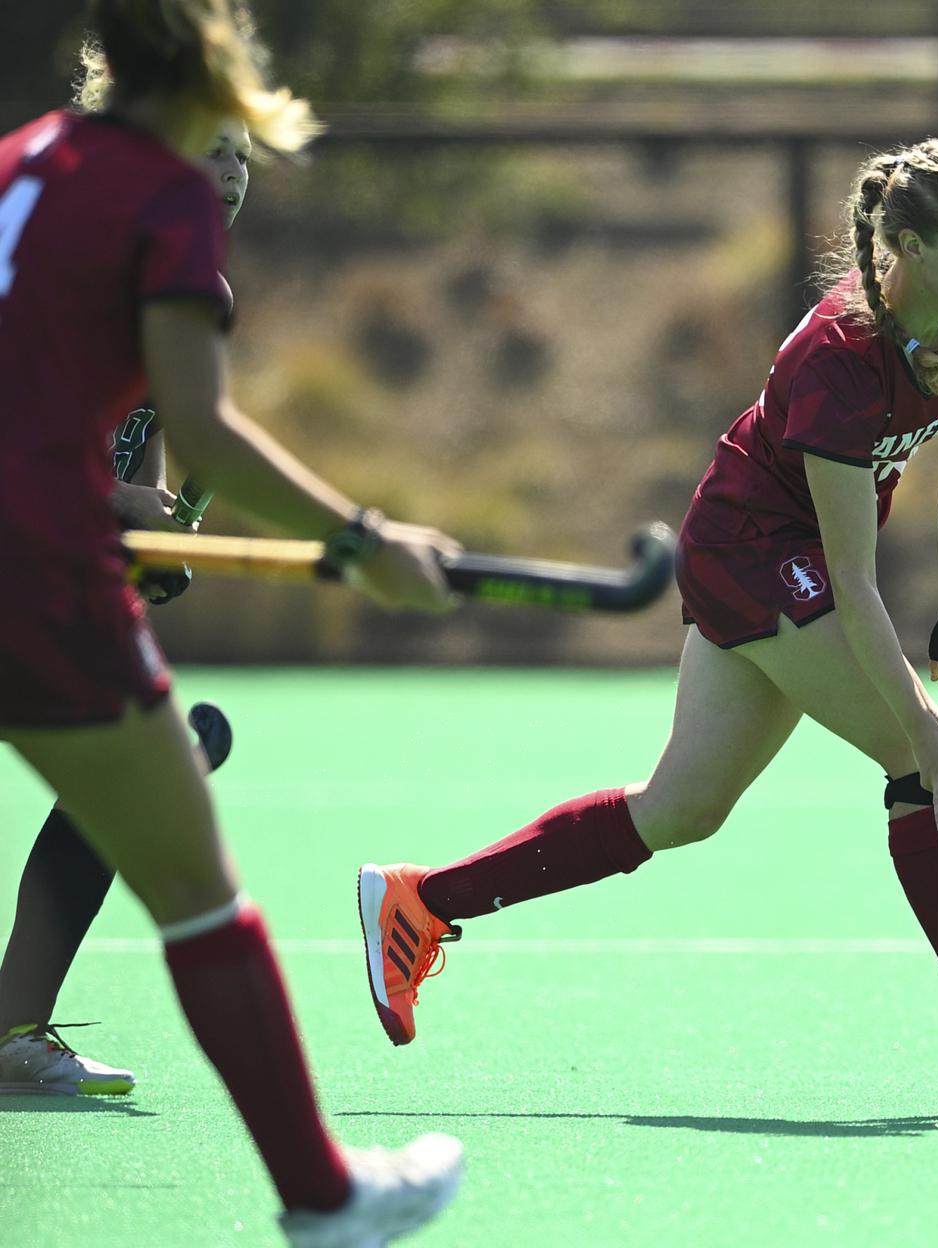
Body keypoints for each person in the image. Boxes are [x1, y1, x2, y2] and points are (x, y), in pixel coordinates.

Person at [358, 138, 938, 1105]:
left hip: (791, 559)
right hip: (751, 552)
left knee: (681, 809)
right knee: (908, 759)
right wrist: (921, 730)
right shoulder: (836, 360)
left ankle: (420, 902)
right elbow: (851, 575)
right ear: (907, 248)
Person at [0, 2, 465, 1242]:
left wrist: (134, 517)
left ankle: (11, 1025)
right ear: (212, 68)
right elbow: (195, 440)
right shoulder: (162, 210)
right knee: (199, 885)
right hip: (29, 576)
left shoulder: (24, 163)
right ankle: (325, 1198)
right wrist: (362, 543)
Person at [0, 76, 253, 1097]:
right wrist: (114, 504)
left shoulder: (201, 294)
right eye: (208, 152)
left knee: (120, 789)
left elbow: (134, 448)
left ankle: (15, 1031)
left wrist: (141, 524)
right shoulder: (60, 270)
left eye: (241, 157)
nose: (229, 177)